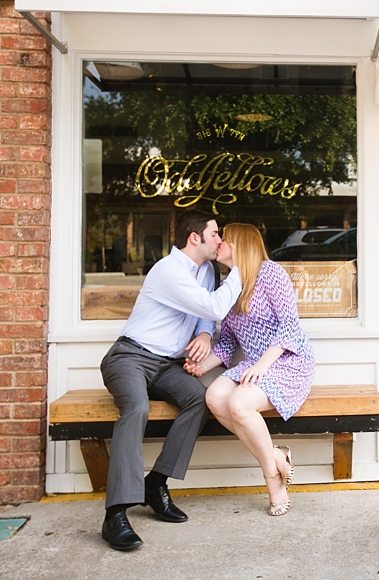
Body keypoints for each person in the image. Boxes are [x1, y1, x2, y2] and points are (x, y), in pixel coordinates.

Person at [100, 209, 243, 551]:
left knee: (199, 398)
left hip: (167, 364)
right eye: (215, 234)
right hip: (130, 357)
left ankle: (156, 483)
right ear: (195, 238)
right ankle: (115, 514)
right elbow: (213, 307)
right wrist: (238, 268)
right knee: (136, 409)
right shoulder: (168, 270)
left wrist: (206, 336)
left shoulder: (207, 271)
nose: (220, 240)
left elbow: (204, 317)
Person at [184, 223, 314, 517]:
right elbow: (228, 342)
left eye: (224, 239)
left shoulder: (270, 273)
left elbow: (290, 327)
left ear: (240, 244)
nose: (218, 244)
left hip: (287, 362)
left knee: (239, 404)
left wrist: (261, 365)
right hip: (255, 365)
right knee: (215, 397)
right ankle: (277, 456)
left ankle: (272, 481)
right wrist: (201, 365)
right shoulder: (229, 285)